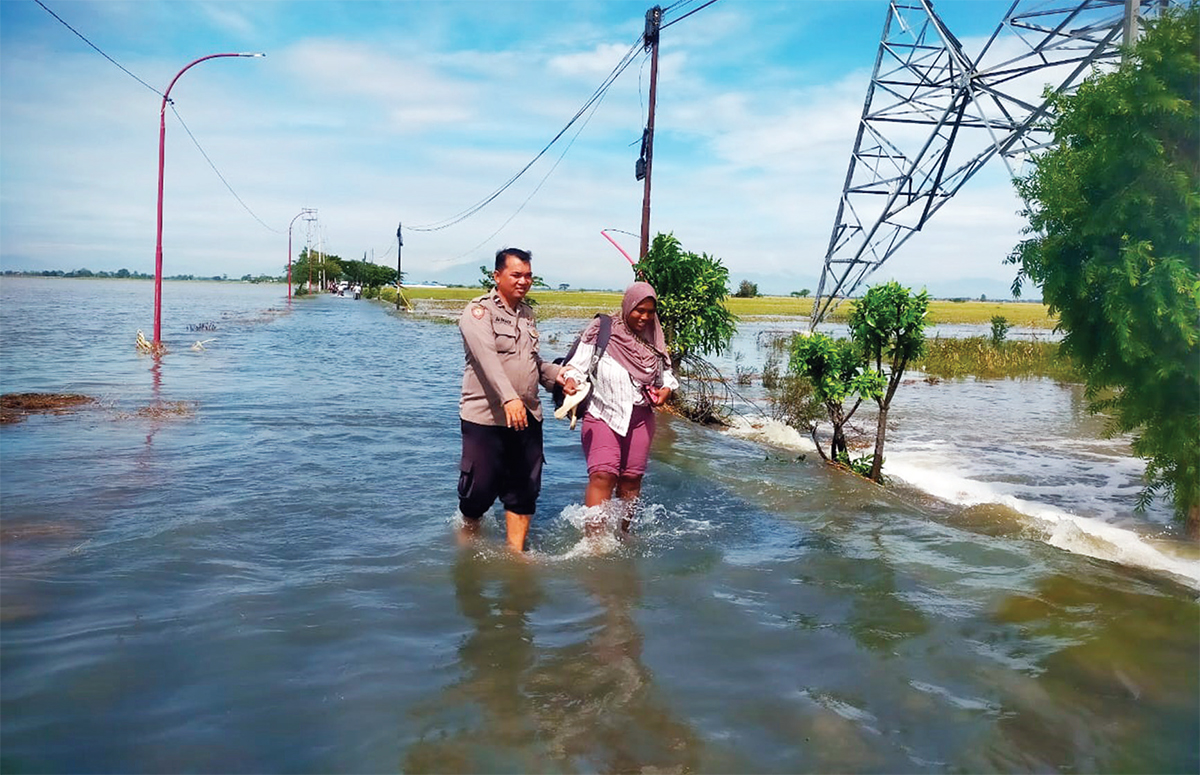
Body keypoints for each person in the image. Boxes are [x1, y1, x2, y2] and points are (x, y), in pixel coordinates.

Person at [457, 248, 577, 552]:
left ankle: (516, 554)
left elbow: (533, 364)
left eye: (528, 275)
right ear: (497, 276)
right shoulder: (477, 312)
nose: (524, 281)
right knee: (478, 491)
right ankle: (468, 542)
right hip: (485, 417)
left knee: (524, 489)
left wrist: (559, 376)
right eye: (516, 275)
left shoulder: (527, 315)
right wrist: (509, 398)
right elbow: (487, 361)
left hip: (527, 415)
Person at [561, 281, 677, 534]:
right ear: (627, 306)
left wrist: (666, 390)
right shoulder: (601, 330)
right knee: (603, 475)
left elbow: (665, 373)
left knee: (631, 479)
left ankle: (624, 534)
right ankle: (595, 541)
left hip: (640, 418)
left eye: (650, 311)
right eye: (639, 310)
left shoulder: (653, 337)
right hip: (602, 414)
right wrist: (571, 381)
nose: (644, 317)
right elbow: (577, 367)